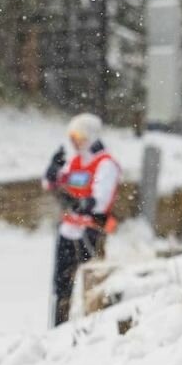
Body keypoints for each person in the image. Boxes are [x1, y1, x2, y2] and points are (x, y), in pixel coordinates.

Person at [41, 113, 120, 327]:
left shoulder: (105, 164)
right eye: (72, 136)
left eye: (79, 136)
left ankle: (91, 325)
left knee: (92, 283)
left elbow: (100, 200)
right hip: (68, 230)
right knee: (61, 284)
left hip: (90, 232)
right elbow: (54, 184)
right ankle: (58, 326)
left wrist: (80, 203)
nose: (75, 141)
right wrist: (52, 172)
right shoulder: (75, 162)